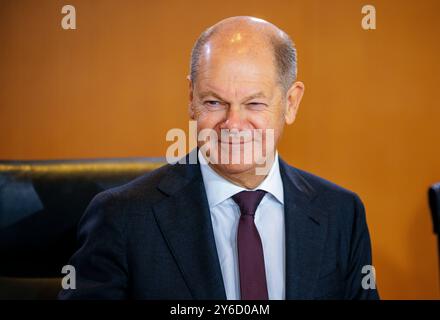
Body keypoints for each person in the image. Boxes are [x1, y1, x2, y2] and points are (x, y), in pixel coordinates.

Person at [59, 16, 379, 300]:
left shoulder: (341, 213)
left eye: (254, 104)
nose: (233, 124)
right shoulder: (121, 217)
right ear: (191, 99)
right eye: (214, 103)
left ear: (291, 102)